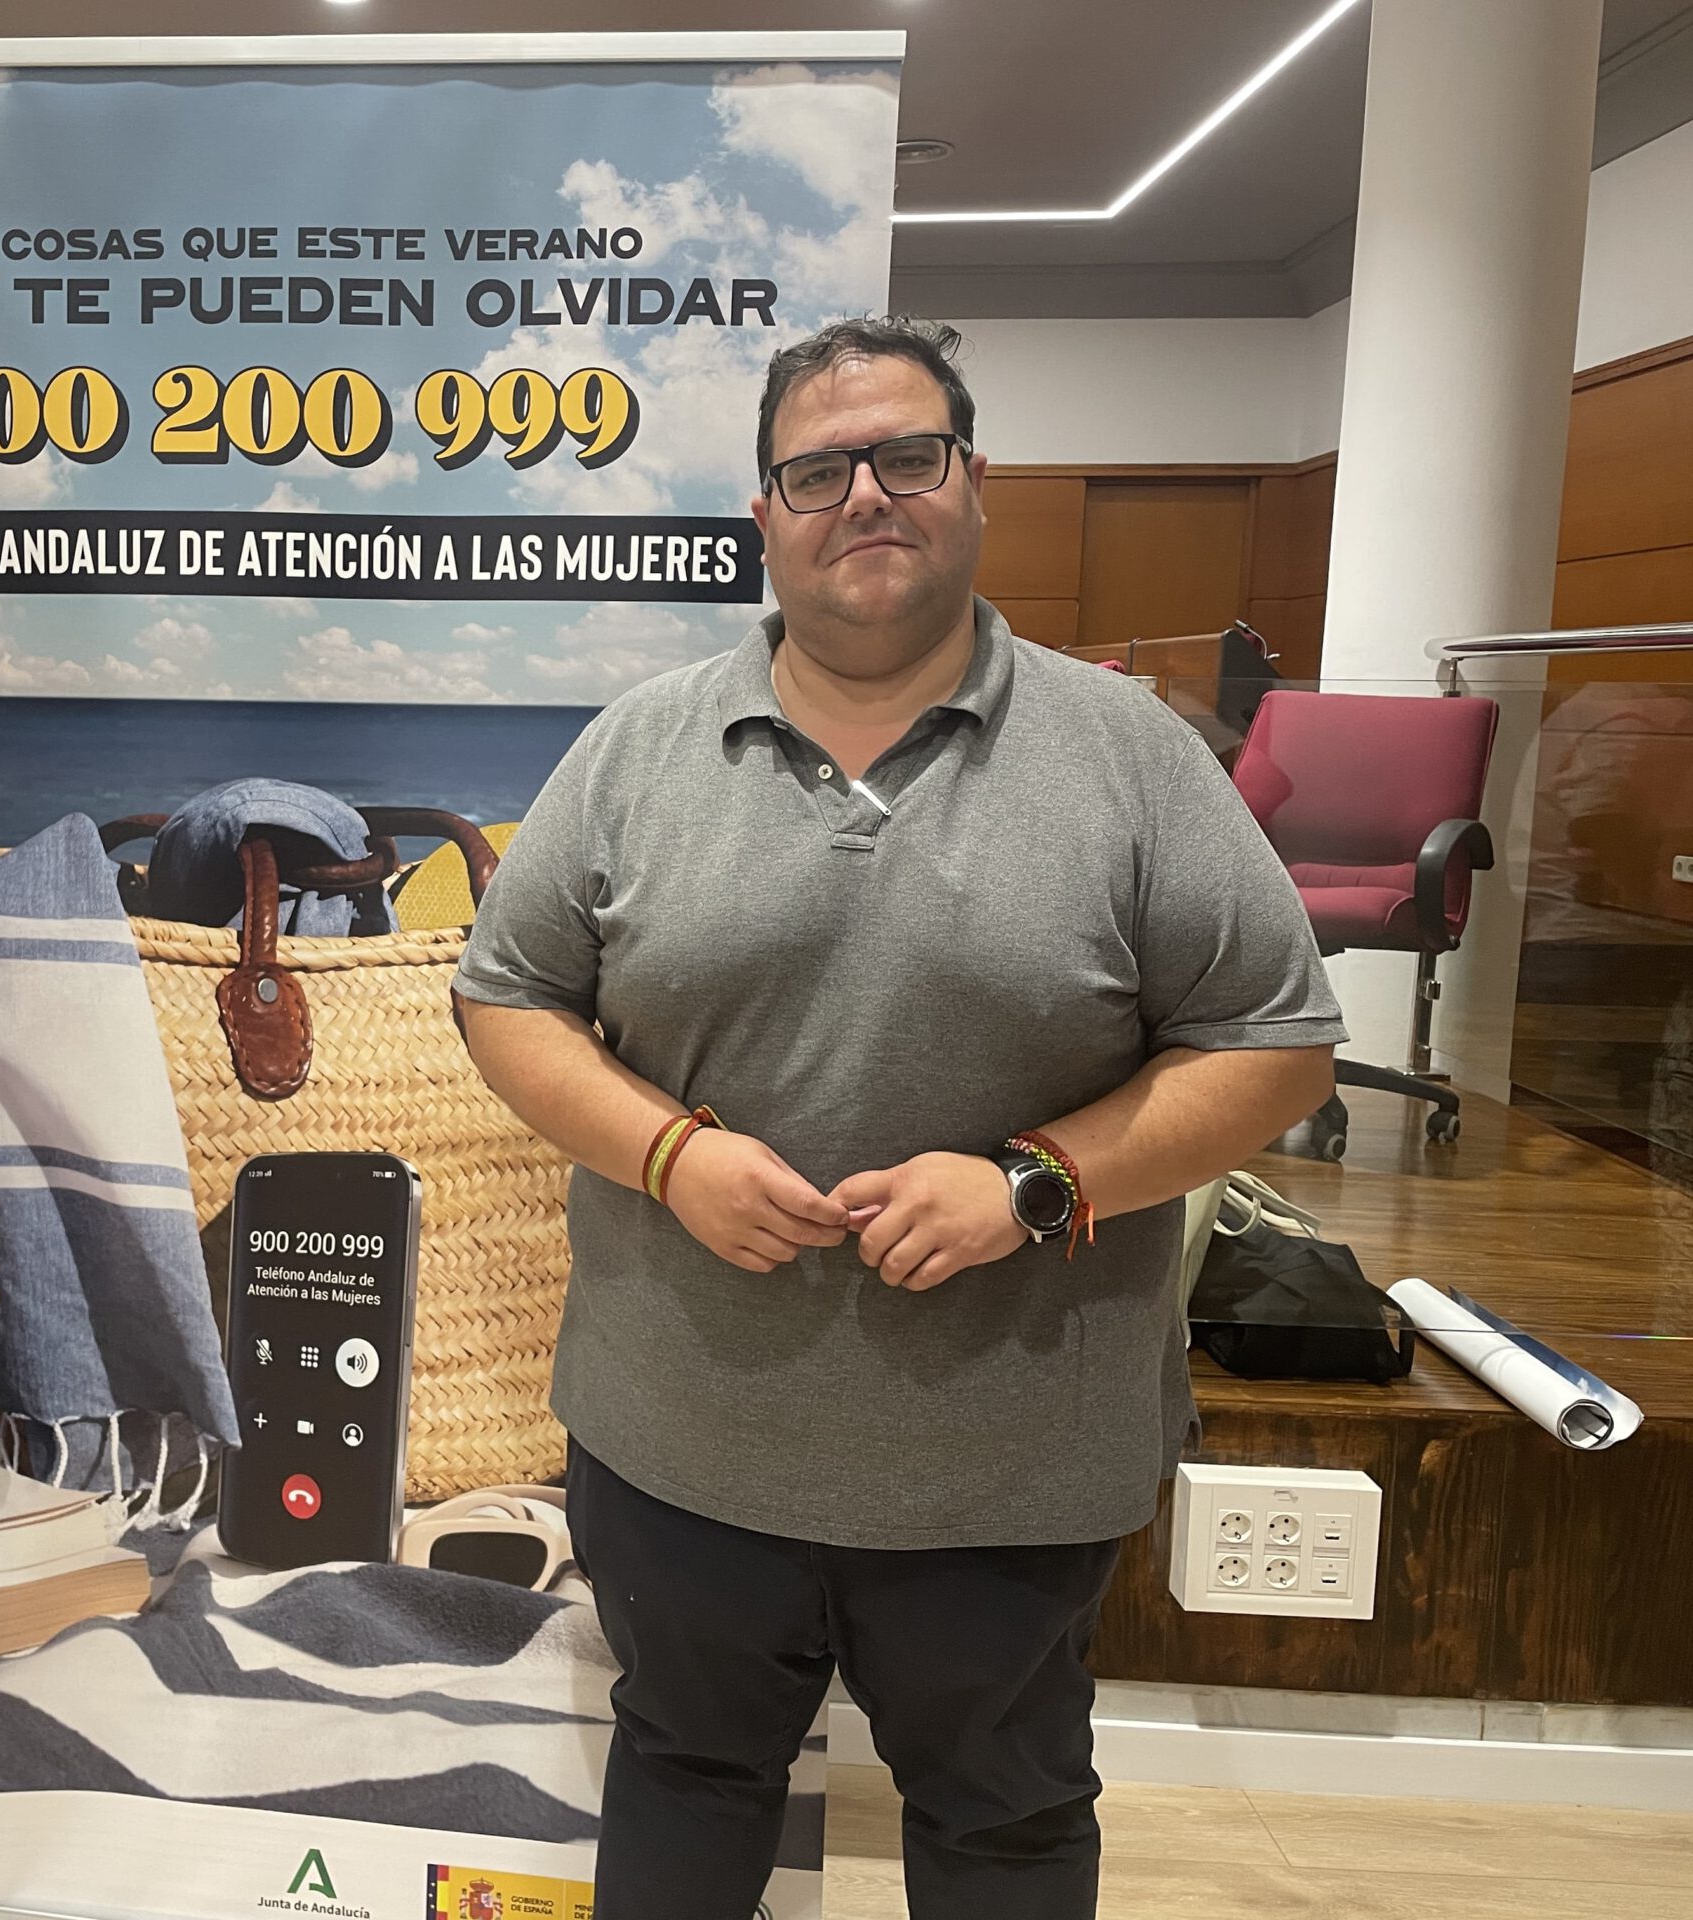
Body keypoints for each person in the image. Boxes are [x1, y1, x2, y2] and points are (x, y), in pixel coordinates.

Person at [452, 316, 1344, 1920]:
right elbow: (505, 998)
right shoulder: (637, 747)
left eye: (907, 456)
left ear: (972, 483)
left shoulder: (1132, 757)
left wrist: (1039, 1180)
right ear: (765, 515)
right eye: (819, 470)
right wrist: (667, 1153)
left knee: (1005, 1823)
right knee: (686, 1776)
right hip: (681, 1444)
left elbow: (1278, 1045)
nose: (865, 493)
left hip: (1013, 1464)